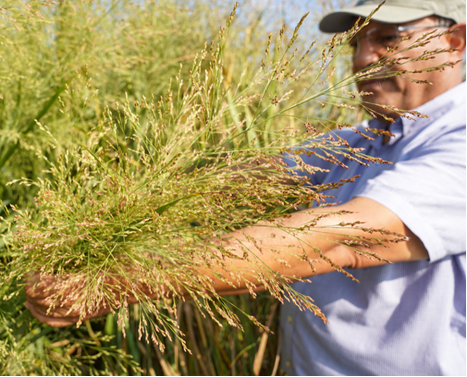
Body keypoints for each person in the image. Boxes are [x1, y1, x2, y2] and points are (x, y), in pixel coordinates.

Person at [24, 0, 466, 374]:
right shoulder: (355, 144)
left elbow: (337, 240)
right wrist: (92, 220)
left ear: (455, 41)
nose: (363, 59)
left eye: (388, 38)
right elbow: (218, 188)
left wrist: (120, 281)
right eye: (356, 42)